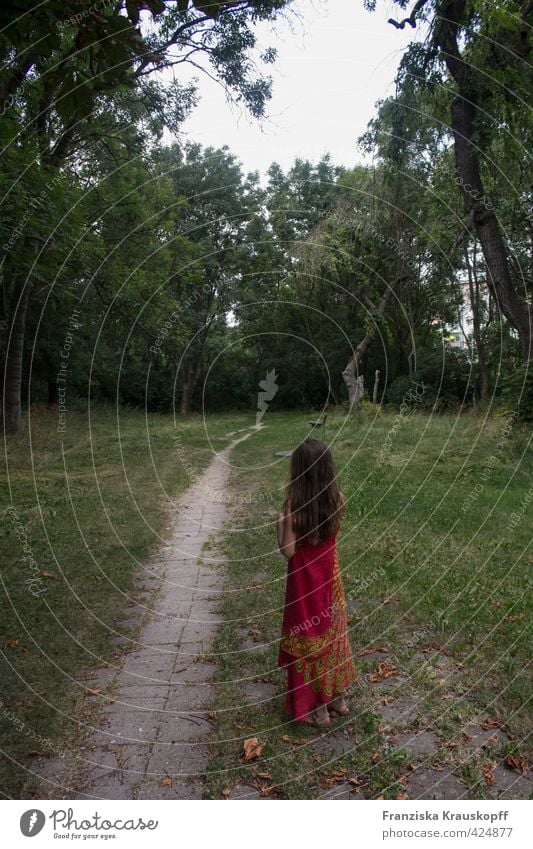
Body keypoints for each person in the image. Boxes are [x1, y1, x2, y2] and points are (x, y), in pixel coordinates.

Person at [277, 437, 357, 726]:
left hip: (303, 585)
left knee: (308, 637)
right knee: (332, 634)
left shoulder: (293, 507)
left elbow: (288, 551)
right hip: (330, 580)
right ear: (327, 469)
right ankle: (337, 698)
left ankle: (316, 706)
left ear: (298, 471)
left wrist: (280, 521)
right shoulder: (337, 499)